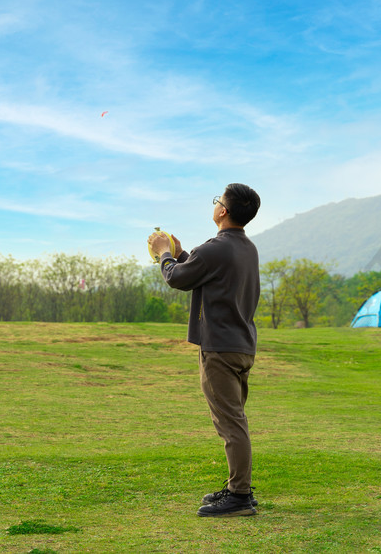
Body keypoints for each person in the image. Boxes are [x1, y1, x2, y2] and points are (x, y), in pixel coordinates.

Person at [147, 183, 261, 518]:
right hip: (241, 345)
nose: (215, 206)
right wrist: (183, 255)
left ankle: (240, 496)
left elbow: (177, 278)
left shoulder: (215, 247)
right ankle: (236, 487)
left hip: (220, 349)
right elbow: (203, 272)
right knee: (233, 419)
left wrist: (163, 253)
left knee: (231, 423)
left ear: (223, 211)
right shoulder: (246, 248)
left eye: (217, 202)